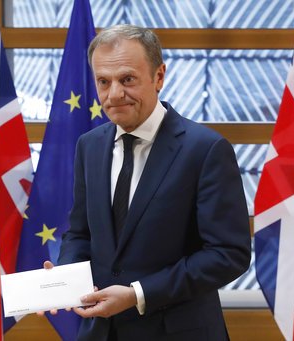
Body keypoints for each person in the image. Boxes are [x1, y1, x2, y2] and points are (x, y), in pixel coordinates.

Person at [49, 24, 251, 341]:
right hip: (101, 333)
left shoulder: (206, 150)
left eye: (127, 79)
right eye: (104, 81)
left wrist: (137, 294)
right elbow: (80, 232)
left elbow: (228, 255)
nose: (114, 94)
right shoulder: (88, 146)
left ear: (159, 77)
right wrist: (64, 280)